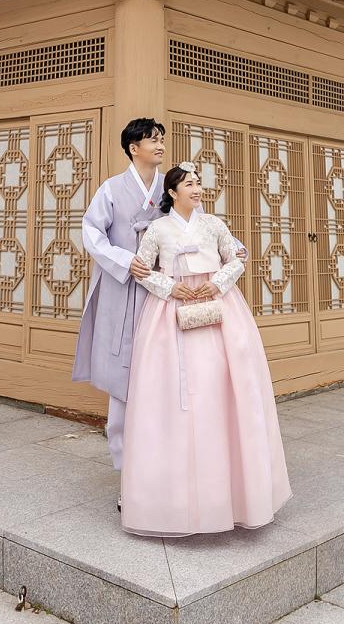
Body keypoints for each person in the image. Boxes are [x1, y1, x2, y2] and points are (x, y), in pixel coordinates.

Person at [118, 162, 291, 538]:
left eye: (198, 183)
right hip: (171, 314)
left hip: (219, 309)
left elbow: (238, 258)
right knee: (174, 400)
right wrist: (171, 287)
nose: (197, 189)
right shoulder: (157, 230)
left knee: (222, 392)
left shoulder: (213, 224)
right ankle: (172, 502)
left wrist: (217, 282)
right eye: (188, 184)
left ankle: (234, 497)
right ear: (172, 193)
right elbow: (141, 269)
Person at [72, 117, 167, 471]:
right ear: (133, 148)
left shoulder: (170, 186)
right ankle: (127, 468)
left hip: (160, 288)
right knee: (123, 371)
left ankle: (163, 462)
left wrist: (229, 246)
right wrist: (126, 261)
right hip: (124, 287)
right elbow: (92, 233)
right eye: (152, 140)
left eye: (161, 139)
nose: (160, 145)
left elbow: (197, 224)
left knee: (163, 368)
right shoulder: (111, 188)